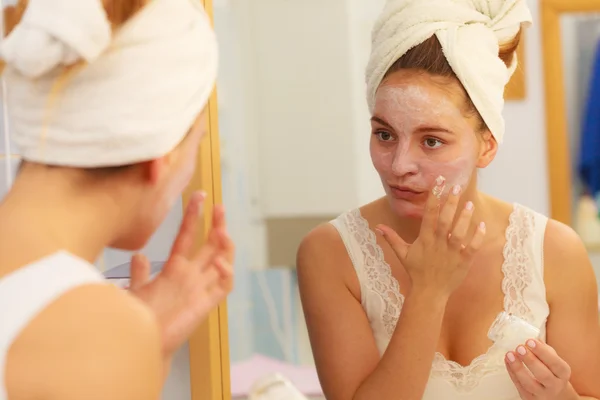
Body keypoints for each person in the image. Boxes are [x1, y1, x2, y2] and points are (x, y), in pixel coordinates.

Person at [297, 1, 600, 399]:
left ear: (487, 146)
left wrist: (561, 396)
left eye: (432, 140)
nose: (400, 165)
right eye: (385, 134)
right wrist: (429, 291)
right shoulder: (331, 254)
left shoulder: (555, 252)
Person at [0, 0, 233, 399]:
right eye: (198, 141)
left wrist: (145, 346)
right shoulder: (93, 335)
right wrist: (128, 345)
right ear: (158, 159)